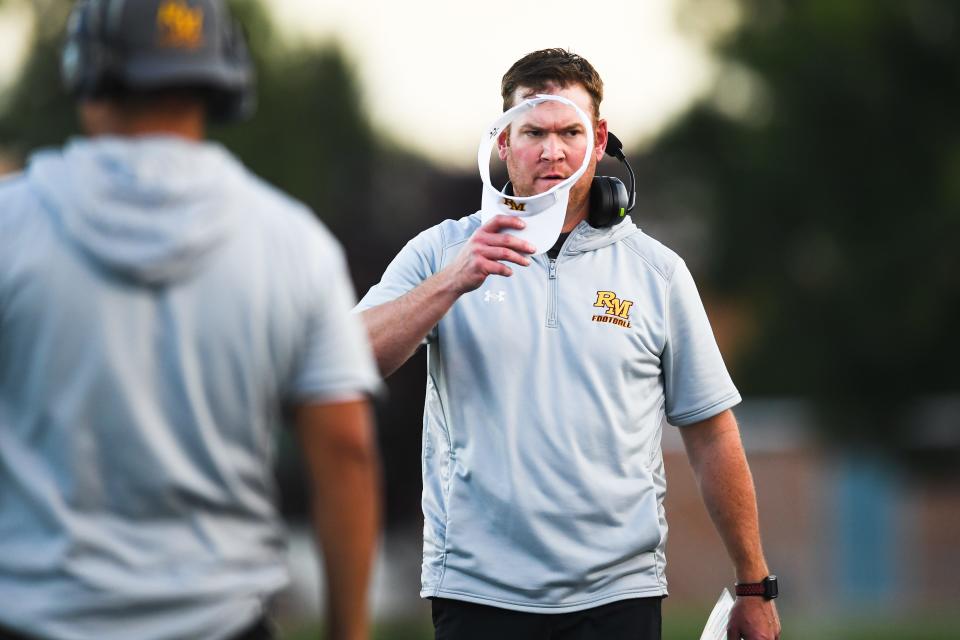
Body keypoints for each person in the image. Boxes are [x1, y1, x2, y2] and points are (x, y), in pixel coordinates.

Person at [356, 49, 781, 640]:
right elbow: (348, 359)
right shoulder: (440, 252)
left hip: (619, 596)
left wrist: (755, 585)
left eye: (569, 132)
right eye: (533, 131)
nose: (552, 151)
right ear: (503, 142)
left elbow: (711, 433)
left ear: (599, 139)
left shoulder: (657, 273)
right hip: (478, 593)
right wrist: (454, 280)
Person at [0, 1, 381, 639]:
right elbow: (346, 450)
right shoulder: (292, 241)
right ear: (221, 78)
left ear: (88, 69)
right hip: (223, 620)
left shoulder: (13, 225)